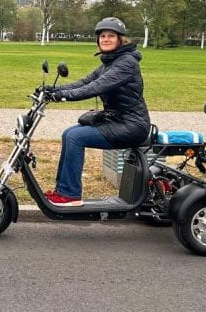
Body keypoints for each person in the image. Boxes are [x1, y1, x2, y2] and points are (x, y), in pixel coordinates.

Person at [43, 17, 151, 207]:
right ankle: (62, 191)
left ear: (120, 39)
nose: (106, 39)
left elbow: (96, 87)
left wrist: (62, 96)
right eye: (102, 36)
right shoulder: (109, 63)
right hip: (117, 121)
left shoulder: (127, 63)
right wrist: (52, 90)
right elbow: (84, 82)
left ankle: (70, 195)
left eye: (111, 36)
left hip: (132, 126)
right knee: (69, 133)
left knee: (75, 137)